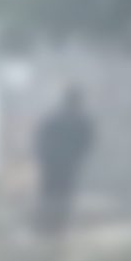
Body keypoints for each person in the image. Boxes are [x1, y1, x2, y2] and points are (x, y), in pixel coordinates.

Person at [34, 86, 96, 238]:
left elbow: (41, 139)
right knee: (62, 195)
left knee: (51, 195)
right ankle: (56, 227)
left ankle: (49, 228)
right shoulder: (81, 121)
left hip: (52, 164)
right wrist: (76, 156)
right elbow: (87, 141)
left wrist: (44, 156)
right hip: (65, 165)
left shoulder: (54, 118)